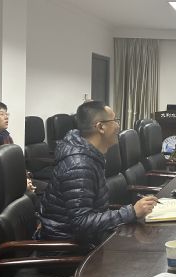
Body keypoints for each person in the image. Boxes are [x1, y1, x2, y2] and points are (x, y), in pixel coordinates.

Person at [37, 101, 157, 247]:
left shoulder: (89, 155)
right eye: (114, 121)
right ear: (100, 127)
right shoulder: (79, 166)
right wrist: (131, 212)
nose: (118, 126)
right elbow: (81, 222)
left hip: (86, 238)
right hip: (68, 247)